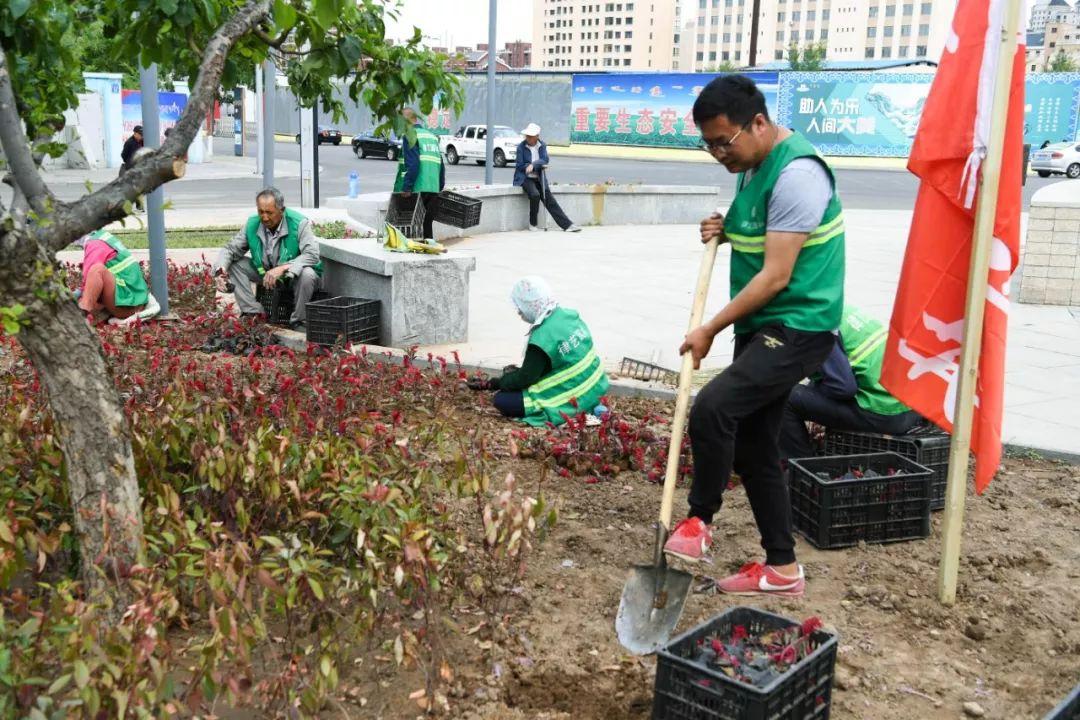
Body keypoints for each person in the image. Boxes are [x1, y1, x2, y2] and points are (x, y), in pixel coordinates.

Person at [662, 75, 846, 599]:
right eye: (710, 145)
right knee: (755, 447)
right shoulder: (751, 164)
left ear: (759, 123)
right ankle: (782, 569)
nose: (720, 153)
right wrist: (726, 225)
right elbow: (759, 224)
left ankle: (698, 522)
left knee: (713, 408)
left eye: (725, 141)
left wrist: (708, 330)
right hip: (764, 324)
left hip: (800, 324)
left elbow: (775, 275)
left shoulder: (798, 175)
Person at [779, 306, 926, 460]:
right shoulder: (839, 309)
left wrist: (812, 390)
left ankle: (801, 468)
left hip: (887, 412)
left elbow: (843, 388)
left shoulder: (815, 325)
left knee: (785, 398)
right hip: (911, 406)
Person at [467, 276, 608, 427]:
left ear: (529, 305)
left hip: (572, 396)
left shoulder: (542, 338)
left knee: (502, 400)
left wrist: (494, 383)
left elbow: (526, 378)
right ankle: (595, 408)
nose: (519, 313)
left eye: (520, 307)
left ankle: (570, 412)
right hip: (596, 385)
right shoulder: (568, 316)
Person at [213, 187, 323, 330]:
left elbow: (312, 254)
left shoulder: (299, 223)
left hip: (293, 276)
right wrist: (220, 270)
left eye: (269, 213)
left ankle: (299, 321)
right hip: (266, 274)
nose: (264, 217)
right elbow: (230, 249)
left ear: (281, 210)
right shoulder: (252, 224)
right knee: (234, 264)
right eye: (261, 212)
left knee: (307, 273)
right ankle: (252, 313)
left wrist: (282, 268)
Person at [73, 229, 159, 325]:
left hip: (127, 305)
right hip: (135, 300)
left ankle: (81, 317)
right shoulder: (103, 237)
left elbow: (87, 282)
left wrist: (73, 297)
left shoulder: (94, 244)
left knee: (97, 270)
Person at [513, 123, 581, 233]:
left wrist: (533, 165)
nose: (528, 138)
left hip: (538, 178)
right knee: (535, 194)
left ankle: (567, 225)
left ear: (537, 136)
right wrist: (528, 166)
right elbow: (519, 165)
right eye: (527, 136)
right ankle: (533, 223)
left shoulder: (542, 145)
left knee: (549, 199)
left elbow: (545, 159)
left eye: (530, 136)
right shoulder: (521, 147)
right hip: (525, 178)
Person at [393, 108, 444, 240]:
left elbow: (414, 164)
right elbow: (441, 166)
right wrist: (439, 186)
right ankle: (430, 255)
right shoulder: (432, 137)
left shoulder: (411, 136)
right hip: (433, 188)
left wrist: (407, 187)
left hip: (418, 188)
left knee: (413, 228)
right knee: (427, 227)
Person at [120, 125, 144, 212]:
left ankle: (140, 206)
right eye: (140, 134)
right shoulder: (129, 143)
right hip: (130, 168)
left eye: (142, 134)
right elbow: (123, 155)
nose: (141, 136)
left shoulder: (142, 142)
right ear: (135, 133)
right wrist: (130, 162)